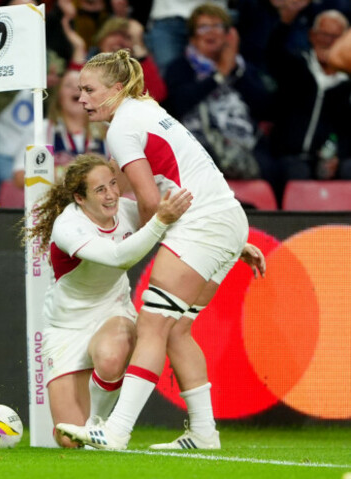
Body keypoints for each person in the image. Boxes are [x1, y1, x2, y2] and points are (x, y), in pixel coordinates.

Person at [56, 49, 266, 450]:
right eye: (79, 90)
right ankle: (204, 433)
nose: (81, 98)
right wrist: (235, 239)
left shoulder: (122, 126)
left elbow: (152, 204)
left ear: (116, 89)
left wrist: (139, 244)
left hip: (203, 224)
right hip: (225, 218)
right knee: (177, 329)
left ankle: (115, 431)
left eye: (89, 90)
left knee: (153, 325)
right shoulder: (147, 109)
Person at [23, 155, 192, 448]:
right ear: (80, 198)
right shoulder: (68, 226)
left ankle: (96, 428)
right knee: (66, 438)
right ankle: (86, 433)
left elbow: (185, 230)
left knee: (111, 357)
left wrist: (234, 245)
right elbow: (118, 257)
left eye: (113, 183)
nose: (112, 194)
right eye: (100, 189)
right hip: (66, 327)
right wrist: (159, 220)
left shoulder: (127, 210)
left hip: (113, 309)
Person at [163, 4, 277, 188]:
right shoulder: (180, 67)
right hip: (198, 144)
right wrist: (219, 75)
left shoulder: (242, 68)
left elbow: (264, 107)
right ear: (192, 37)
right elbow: (179, 104)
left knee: (273, 167)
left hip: (245, 144)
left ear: (227, 35)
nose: (211, 33)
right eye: (204, 27)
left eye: (217, 26)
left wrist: (233, 70)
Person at [266, 8, 351, 190]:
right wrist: (285, 22)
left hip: (328, 159)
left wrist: (340, 156)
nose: (328, 42)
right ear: (312, 36)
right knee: (298, 173)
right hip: (288, 157)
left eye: (336, 37)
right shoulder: (295, 67)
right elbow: (273, 54)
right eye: (324, 35)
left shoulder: (347, 84)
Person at [12, 69, 109, 187]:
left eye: (83, 86)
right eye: (69, 85)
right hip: (56, 202)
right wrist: (62, 172)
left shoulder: (108, 131)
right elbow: (20, 177)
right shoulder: (40, 129)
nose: (76, 89)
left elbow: (128, 179)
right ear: (59, 95)